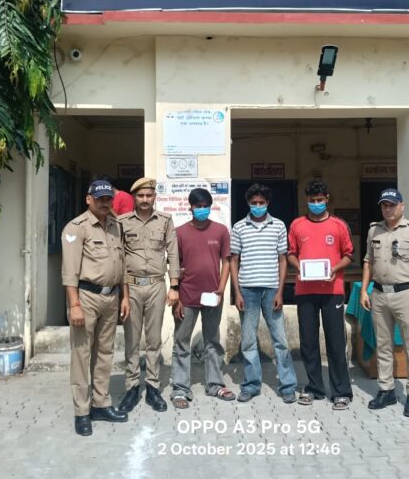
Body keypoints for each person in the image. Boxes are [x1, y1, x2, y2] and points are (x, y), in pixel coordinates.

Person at [61, 179, 129, 436]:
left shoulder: (115, 226)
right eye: (99, 198)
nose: (105, 202)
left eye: (108, 198)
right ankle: (81, 411)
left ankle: (101, 404)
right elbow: (69, 271)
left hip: (111, 298)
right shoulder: (76, 227)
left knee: (105, 353)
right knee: (81, 355)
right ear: (88, 199)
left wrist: (124, 296)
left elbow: (121, 264)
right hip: (86, 298)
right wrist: (74, 305)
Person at [360, 188, 409, 418]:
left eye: (392, 204)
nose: (388, 209)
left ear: (402, 206)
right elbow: (368, 261)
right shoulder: (374, 230)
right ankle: (386, 390)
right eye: (384, 205)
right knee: (383, 345)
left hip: (406, 294)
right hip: (380, 293)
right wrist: (364, 290)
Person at [287, 180, 353, 410]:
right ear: (306, 200)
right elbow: (291, 253)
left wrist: (335, 269)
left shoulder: (338, 225)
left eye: (320, 200)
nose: (316, 203)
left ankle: (341, 391)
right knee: (308, 343)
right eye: (312, 200)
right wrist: (299, 267)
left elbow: (348, 254)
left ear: (327, 199)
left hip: (332, 291)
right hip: (305, 291)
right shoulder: (297, 225)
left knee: (336, 343)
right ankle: (314, 387)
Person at [117, 177, 179, 413]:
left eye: (149, 195)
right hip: (131, 286)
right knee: (132, 340)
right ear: (134, 197)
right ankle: (132, 387)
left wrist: (174, 286)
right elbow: (119, 256)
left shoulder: (165, 220)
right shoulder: (122, 222)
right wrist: (122, 292)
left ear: (154, 197)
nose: (145, 199)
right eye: (140, 196)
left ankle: (153, 387)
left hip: (156, 286)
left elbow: (173, 253)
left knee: (153, 340)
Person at [230, 184, 297, 404]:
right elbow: (234, 261)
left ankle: (288, 385)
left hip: (271, 290)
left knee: (280, 340)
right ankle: (251, 385)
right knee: (248, 341)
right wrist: (237, 293)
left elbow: (282, 260)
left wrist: (280, 291)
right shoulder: (239, 227)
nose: (258, 206)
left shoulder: (278, 225)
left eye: (261, 202)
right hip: (247, 290)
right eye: (254, 203)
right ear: (248, 203)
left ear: (268, 203)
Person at [170, 188, 236, 408]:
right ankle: (180, 388)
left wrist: (221, 289)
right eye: (198, 206)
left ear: (210, 206)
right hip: (186, 296)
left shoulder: (220, 231)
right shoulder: (179, 232)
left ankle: (215, 384)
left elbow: (226, 261)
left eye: (205, 206)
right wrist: (177, 295)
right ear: (190, 207)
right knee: (181, 341)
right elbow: (175, 266)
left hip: (212, 296)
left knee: (212, 341)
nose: (202, 209)